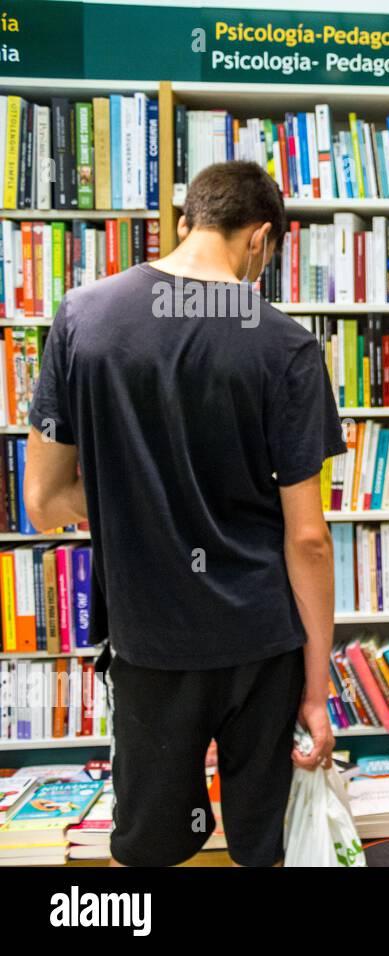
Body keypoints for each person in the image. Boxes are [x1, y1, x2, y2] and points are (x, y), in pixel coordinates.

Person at [24, 160, 344, 867]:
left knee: (146, 849)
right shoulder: (286, 346)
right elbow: (309, 539)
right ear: (261, 239)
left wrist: (132, 498)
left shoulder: (82, 316)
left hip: (149, 642)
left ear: (183, 223)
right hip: (262, 643)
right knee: (267, 847)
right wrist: (316, 693)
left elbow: (43, 502)